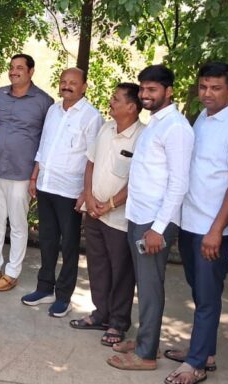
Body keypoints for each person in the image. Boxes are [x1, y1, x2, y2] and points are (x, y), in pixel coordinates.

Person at [165, 62, 228, 384]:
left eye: (216, 88)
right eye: (203, 87)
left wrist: (217, 230)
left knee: (207, 295)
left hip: (213, 229)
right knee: (200, 292)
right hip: (190, 221)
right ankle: (204, 351)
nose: (208, 93)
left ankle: (196, 364)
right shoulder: (203, 117)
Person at [107, 64, 193, 371]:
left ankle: (145, 355)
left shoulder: (176, 128)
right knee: (144, 285)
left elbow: (179, 183)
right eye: (143, 88)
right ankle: (148, 340)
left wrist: (158, 229)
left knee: (151, 286)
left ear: (169, 92)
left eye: (152, 89)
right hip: (139, 215)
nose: (145, 94)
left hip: (155, 222)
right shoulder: (155, 123)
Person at [21, 68, 102, 314]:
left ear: (84, 86)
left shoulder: (91, 116)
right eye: (63, 81)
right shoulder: (53, 110)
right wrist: (34, 176)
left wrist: (86, 192)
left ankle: (64, 296)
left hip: (70, 191)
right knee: (47, 240)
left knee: (69, 245)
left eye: (73, 83)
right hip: (46, 185)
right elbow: (43, 146)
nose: (67, 86)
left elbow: (93, 159)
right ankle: (44, 287)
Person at [70, 82, 143, 349]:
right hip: (94, 212)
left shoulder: (142, 136)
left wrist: (110, 204)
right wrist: (88, 195)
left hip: (120, 219)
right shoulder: (106, 128)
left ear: (131, 107)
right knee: (97, 266)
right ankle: (101, 313)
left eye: (116, 99)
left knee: (121, 271)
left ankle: (118, 322)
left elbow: (138, 180)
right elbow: (90, 163)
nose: (111, 102)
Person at [0, 54, 52, 292]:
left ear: (31, 71)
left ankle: (12, 272)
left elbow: (47, 141)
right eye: (11, 67)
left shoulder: (44, 101)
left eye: (19, 68)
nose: (13, 71)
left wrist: (36, 175)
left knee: (17, 225)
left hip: (22, 174)